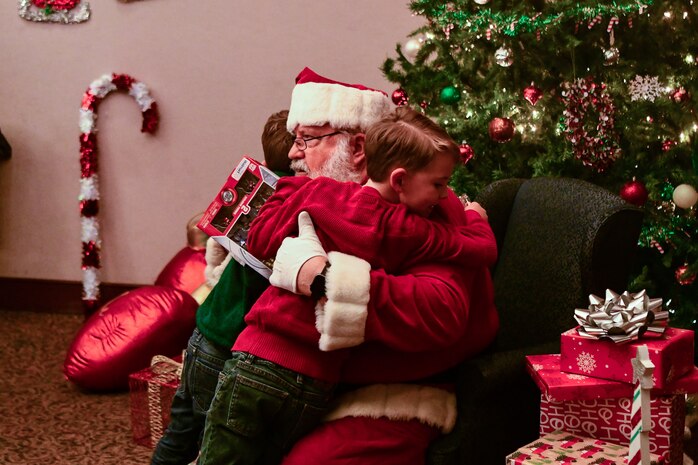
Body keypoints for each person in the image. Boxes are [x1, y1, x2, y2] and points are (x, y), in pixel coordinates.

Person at [200, 67, 499, 465]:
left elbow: (443, 309)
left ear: (359, 149)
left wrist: (326, 280)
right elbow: (266, 225)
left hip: (386, 387)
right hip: (289, 369)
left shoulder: (419, 209)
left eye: (307, 140)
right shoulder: (334, 196)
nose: (293, 152)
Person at [149, 110, 293, 465]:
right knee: (218, 440)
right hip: (233, 345)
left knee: (181, 432)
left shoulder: (258, 190)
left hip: (207, 331)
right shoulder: (297, 200)